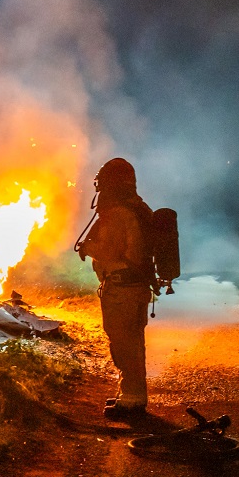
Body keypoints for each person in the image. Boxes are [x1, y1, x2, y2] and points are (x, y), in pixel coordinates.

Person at [76, 158, 155, 420]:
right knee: (133, 342)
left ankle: (132, 401)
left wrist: (88, 248)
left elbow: (110, 250)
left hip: (122, 290)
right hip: (135, 289)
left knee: (123, 344)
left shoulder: (119, 213)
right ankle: (131, 394)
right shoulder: (137, 208)